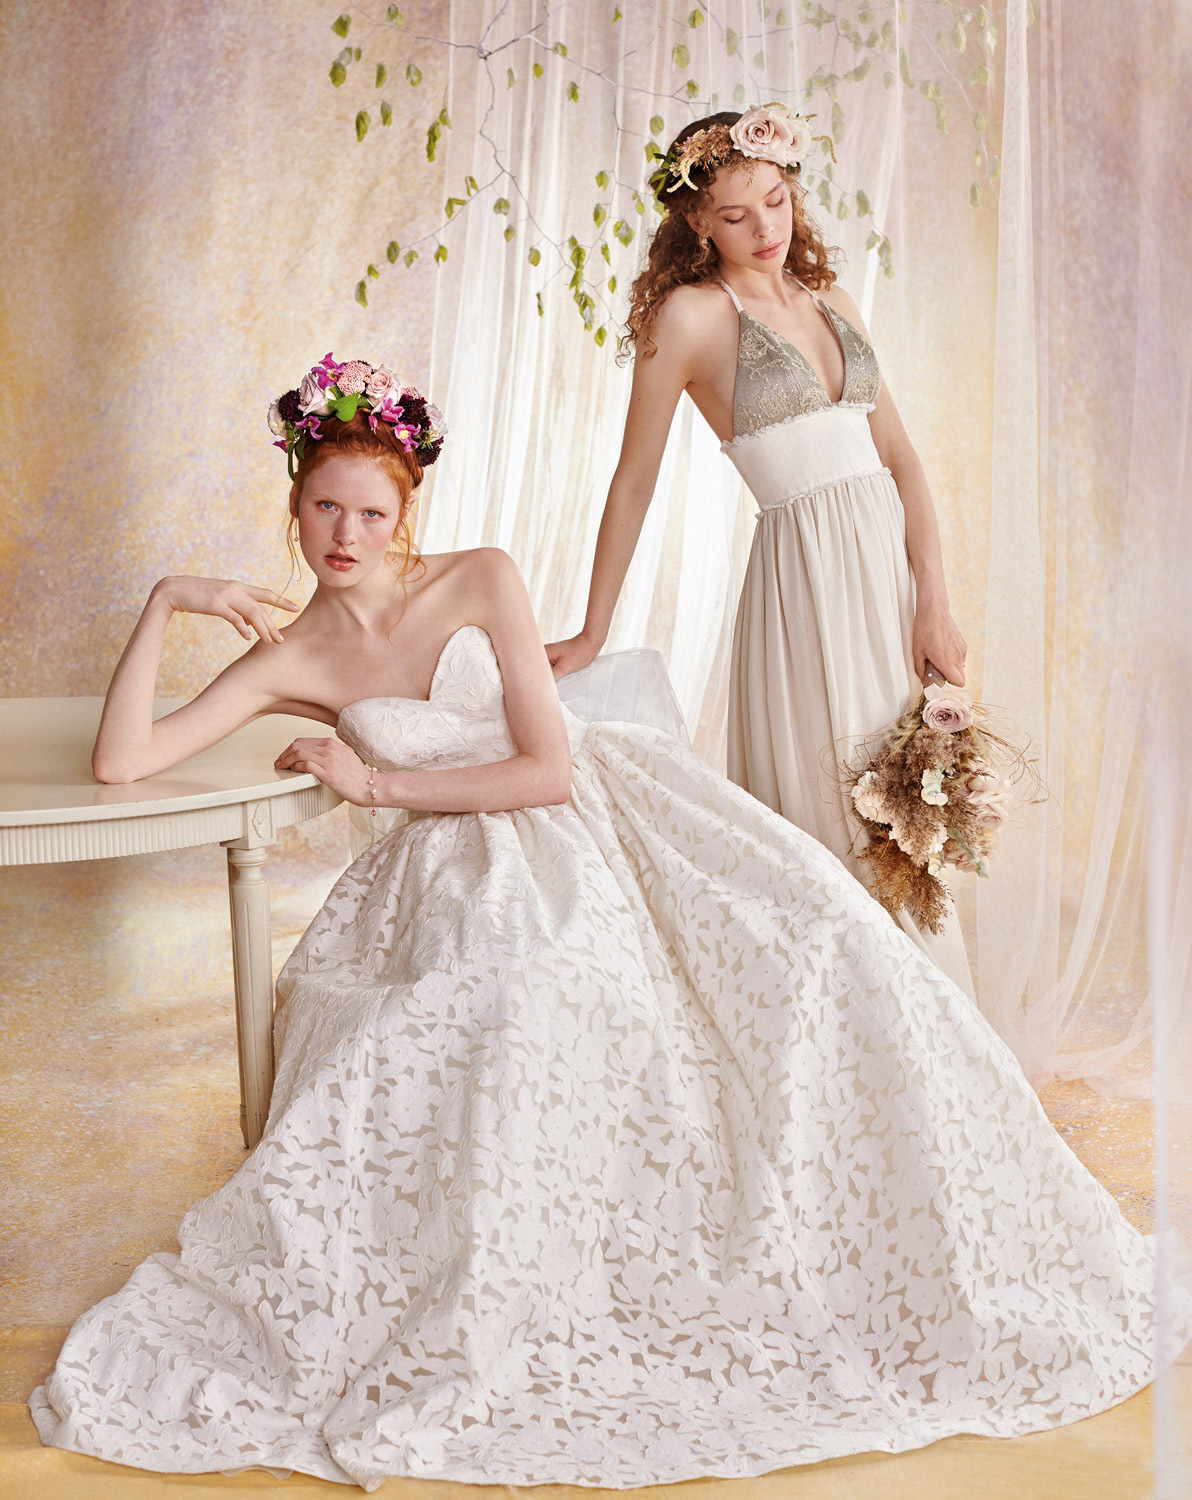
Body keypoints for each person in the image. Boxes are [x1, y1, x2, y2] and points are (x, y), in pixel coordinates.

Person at [31, 357, 1187, 1489]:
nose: (347, 534)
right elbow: (124, 760)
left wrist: (375, 783)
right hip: (454, 867)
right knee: (515, 995)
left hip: (597, 813)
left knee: (820, 942)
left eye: (371, 512)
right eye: (326, 507)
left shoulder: (477, 578)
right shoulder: (291, 657)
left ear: (404, 512)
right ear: (295, 506)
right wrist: (170, 599)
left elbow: (543, 768)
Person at [545, 105, 971, 985]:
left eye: (776, 201)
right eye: (736, 215)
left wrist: (934, 599)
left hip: (888, 585)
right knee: (836, 809)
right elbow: (633, 481)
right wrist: (592, 630)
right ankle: (845, 1021)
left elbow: (901, 461)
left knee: (908, 809)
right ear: (697, 222)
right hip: (804, 586)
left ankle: (932, 1018)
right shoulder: (691, 317)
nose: (765, 229)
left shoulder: (835, 302)